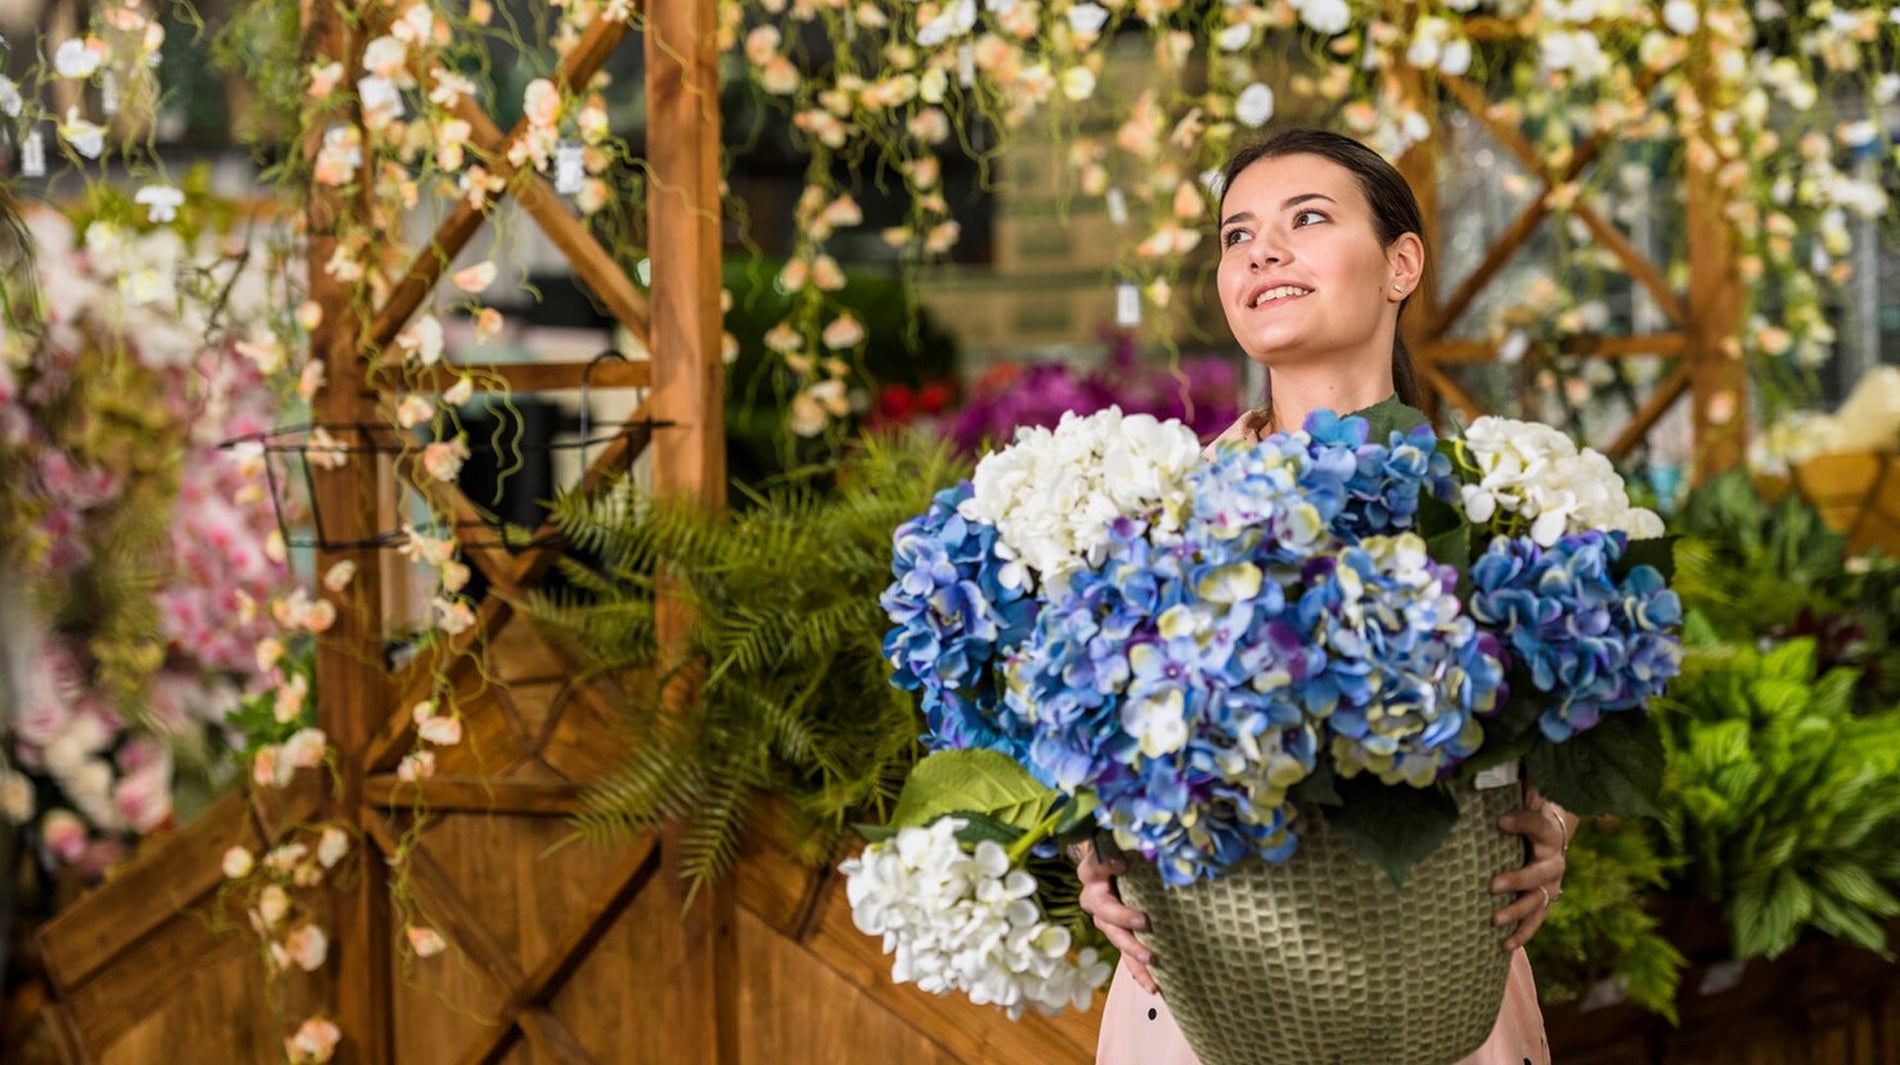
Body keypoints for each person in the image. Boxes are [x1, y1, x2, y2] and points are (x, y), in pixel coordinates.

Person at [1077, 128, 1577, 1065]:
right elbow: (1088, 730)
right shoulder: (1155, 515)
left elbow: (1576, 712)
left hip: (1440, 986)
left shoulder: (1500, 503)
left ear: (1401, 263)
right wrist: (1090, 859)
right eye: (1237, 235)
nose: (1262, 250)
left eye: (1307, 219)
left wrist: (1553, 825)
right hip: (1200, 1001)